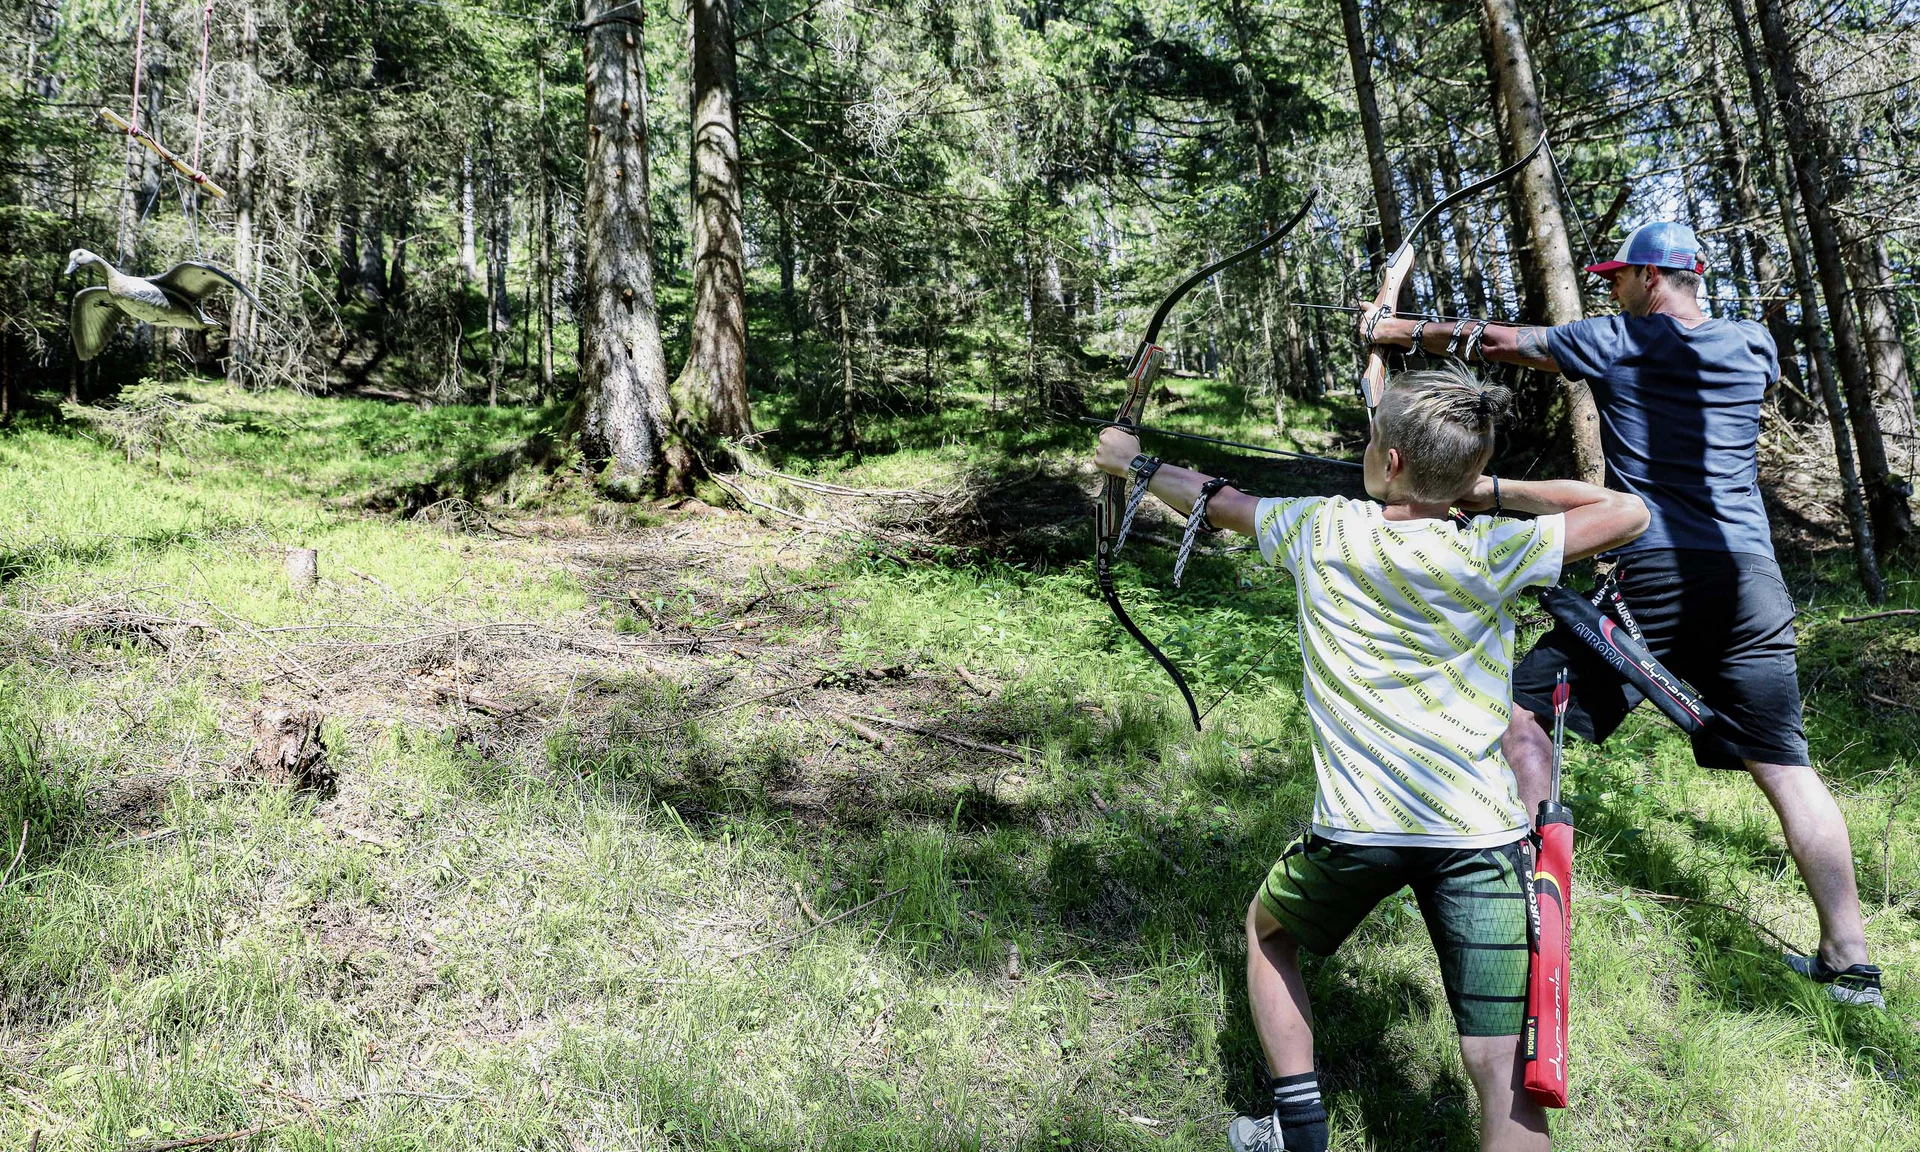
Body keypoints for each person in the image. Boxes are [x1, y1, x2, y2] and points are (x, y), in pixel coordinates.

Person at [1093, 363, 1649, 1152]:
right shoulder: (1498, 547)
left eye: (1372, 436)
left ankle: (1299, 1131)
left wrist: (1129, 462)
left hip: (1357, 832)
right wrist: (1485, 492)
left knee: (1268, 934)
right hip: (1482, 837)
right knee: (1501, 1067)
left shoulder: (1322, 528)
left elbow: (1212, 499)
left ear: (1387, 462)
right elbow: (1627, 511)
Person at [1358, 220, 1883, 1009]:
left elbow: (1503, 342)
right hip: (1752, 579)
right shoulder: (1753, 347)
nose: (1610, 289)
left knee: (1520, 717)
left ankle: (1523, 913)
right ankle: (1852, 963)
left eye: (1618, 278)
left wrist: (1393, 329)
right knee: (1785, 764)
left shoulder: (1618, 340)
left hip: (1658, 571)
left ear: (1650, 278)